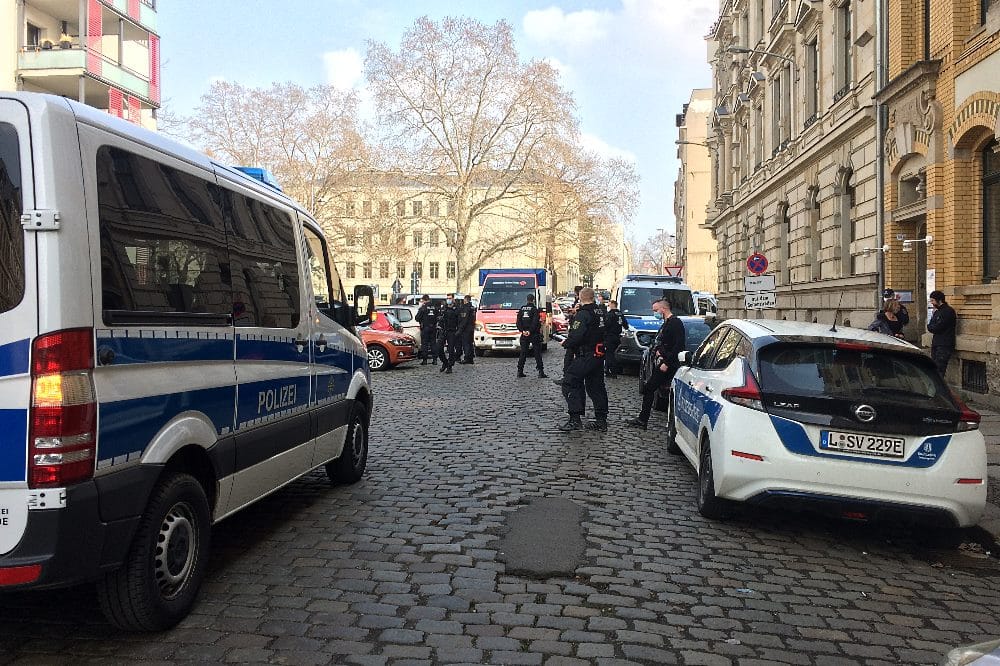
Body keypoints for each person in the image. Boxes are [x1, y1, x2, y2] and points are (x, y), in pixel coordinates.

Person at [627, 298, 686, 429]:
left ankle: (643, 420)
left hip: (669, 364)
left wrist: (667, 362)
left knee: (651, 388)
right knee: (650, 388)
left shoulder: (675, 323)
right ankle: (642, 419)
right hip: (662, 361)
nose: (654, 313)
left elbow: (678, 346)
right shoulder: (667, 323)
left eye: (655, 310)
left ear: (663, 309)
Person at [558, 287, 609, 431]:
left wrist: (566, 343)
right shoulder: (601, 312)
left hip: (586, 354)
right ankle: (601, 420)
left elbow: (577, 334)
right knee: (596, 386)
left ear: (581, 297)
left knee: (570, 381)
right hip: (598, 354)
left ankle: (575, 418)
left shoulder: (583, 314)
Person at [516, 294, 547, 378]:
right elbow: (535, 322)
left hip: (524, 334)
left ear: (527, 300)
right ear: (533, 300)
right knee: (537, 353)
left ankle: (520, 371)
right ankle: (541, 371)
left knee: (523, 353)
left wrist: (522, 330)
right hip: (534, 334)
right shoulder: (534, 310)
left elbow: (518, 322)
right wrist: (530, 331)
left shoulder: (522, 309)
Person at [927, 290, 957, 376]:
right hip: (937, 343)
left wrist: (931, 326)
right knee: (934, 367)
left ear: (939, 300)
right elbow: (930, 326)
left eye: (933, 300)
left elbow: (937, 327)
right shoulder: (937, 311)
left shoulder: (948, 311)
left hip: (944, 344)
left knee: (939, 369)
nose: (932, 303)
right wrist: (932, 322)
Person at [437, 293, 463, 373]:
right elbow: (439, 318)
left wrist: (458, 331)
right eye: (447, 298)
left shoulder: (457, 309)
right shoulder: (444, 308)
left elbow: (460, 321)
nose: (448, 300)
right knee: (439, 349)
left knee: (451, 350)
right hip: (443, 331)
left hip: (452, 331)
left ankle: (450, 366)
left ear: (453, 299)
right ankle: (445, 362)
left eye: (450, 298)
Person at [604, 299, 629, 379]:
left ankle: (609, 370)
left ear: (612, 305)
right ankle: (614, 369)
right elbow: (626, 325)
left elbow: (606, 325)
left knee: (609, 354)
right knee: (615, 353)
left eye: (609, 304)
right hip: (617, 336)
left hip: (610, 336)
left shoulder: (610, 314)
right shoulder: (620, 314)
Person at [415, 294, 439, 365]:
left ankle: (424, 360)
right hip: (433, 328)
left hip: (425, 328)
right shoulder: (435, 307)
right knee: (433, 344)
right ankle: (435, 360)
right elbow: (438, 317)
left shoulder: (423, 308)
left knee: (424, 344)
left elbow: (417, 318)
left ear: (424, 300)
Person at [460, 294, 477, 363]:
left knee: (466, 343)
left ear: (465, 299)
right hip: (472, 328)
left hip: (466, 329)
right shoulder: (472, 307)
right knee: (470, 343)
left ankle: (467, 358)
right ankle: (471, 358)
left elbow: (464, 319)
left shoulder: (466, 308)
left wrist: (460, 329)